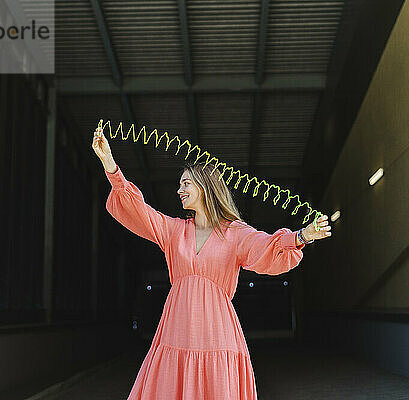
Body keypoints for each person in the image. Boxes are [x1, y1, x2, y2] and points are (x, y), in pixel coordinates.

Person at [92, 128, 331, 399]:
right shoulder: (174, 231)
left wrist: (302, 236)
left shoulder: (235, 233)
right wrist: (110, 165)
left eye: (186, 183)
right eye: (180, 184)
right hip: (177, 331)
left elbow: (266, 248)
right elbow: (139, 211)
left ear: (205, 187)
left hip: (218, 334)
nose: (179, 189)